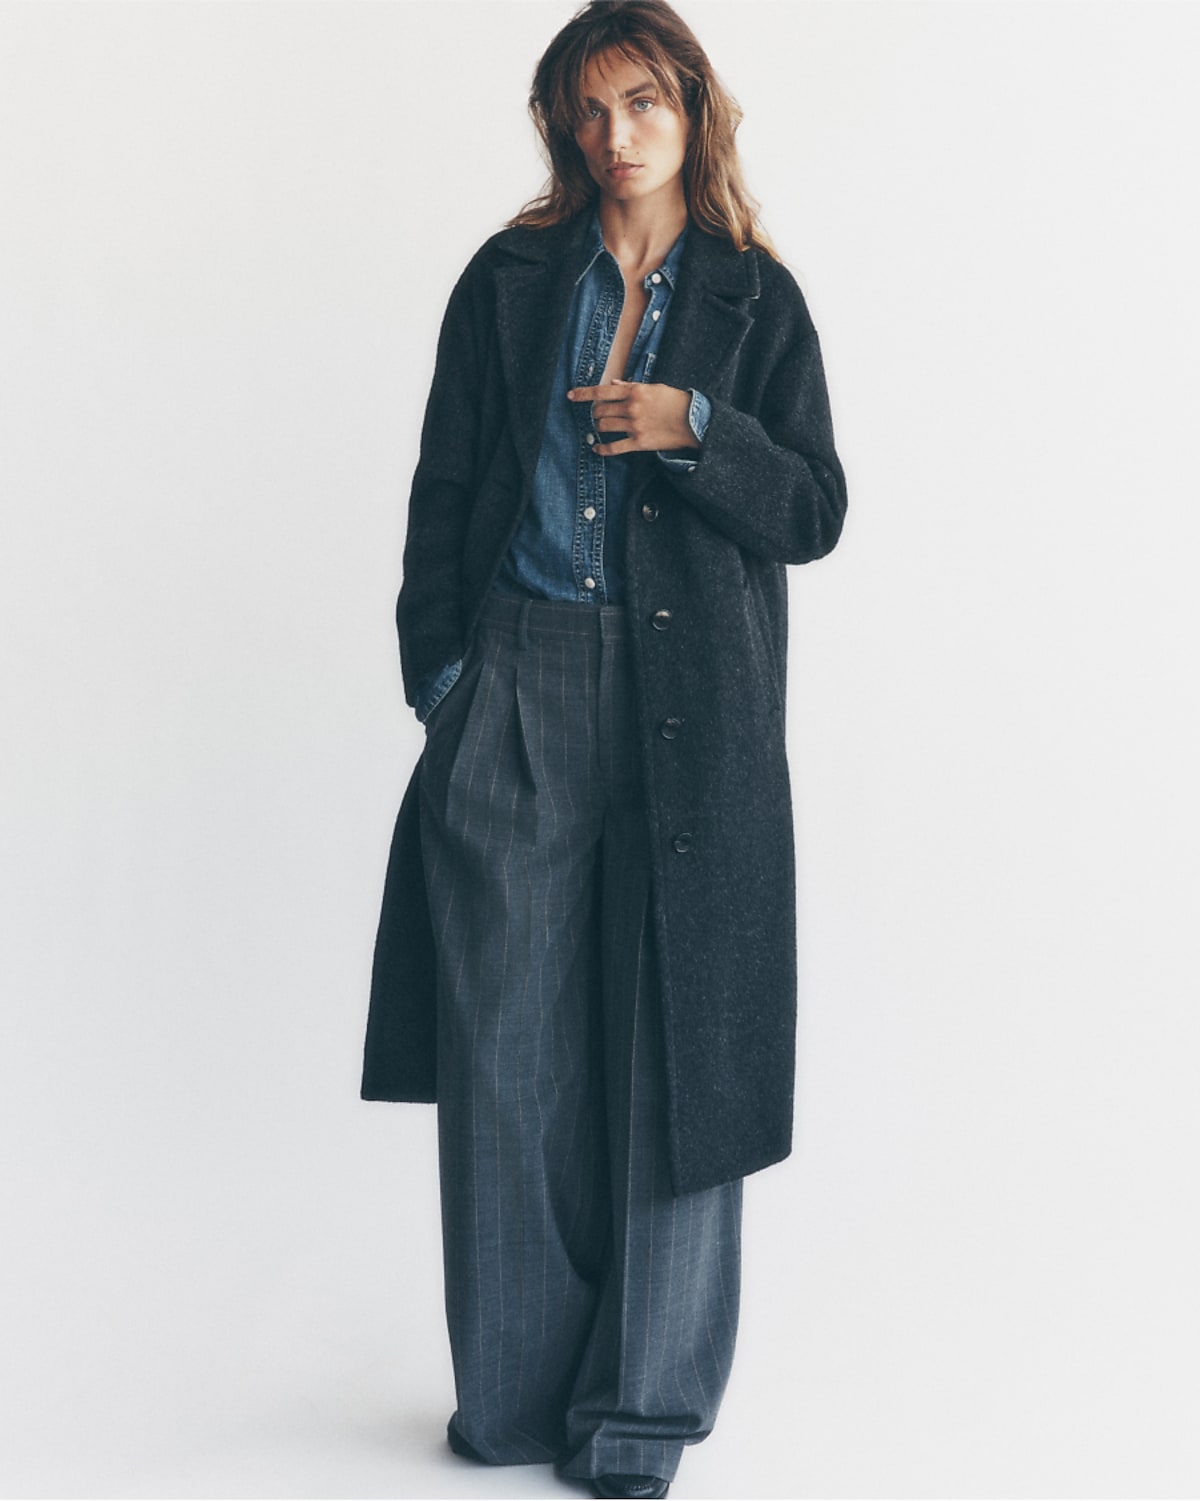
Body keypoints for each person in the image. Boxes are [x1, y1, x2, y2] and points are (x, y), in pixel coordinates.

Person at [361, 2, 847, 1496]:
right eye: (587, 108)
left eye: (643, 100)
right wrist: (446, 673)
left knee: (670, 1047)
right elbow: (447, 481)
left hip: (689, 706)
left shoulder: (756, 303)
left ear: (694, 111)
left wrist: (695, 424)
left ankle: (640, 1413)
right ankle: (509, 1398)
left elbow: (817, 509)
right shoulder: (509, 278)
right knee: (506, 1047)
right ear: (561, 127)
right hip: (518, 671)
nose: (615, 132)